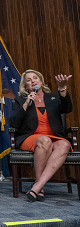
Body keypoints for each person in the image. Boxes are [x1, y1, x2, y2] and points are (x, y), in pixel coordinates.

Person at [9, 70, 72, 202]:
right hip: (30, 137)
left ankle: (38, 185)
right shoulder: (20, 99)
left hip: (54, 137)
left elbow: (67, 108)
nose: (32, 81)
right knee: (44, 140)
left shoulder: (53, 98)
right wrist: (26, 104)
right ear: (25, 86)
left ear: (41, 81)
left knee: (65, 144)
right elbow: (14, 123)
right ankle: (39, 187)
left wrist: (62, 89)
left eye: (35, 78)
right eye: (28, 80)